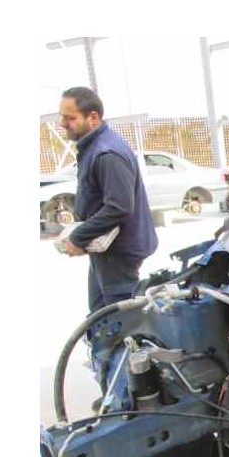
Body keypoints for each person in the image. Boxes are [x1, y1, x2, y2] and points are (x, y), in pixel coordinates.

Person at [55, 87, 157, 313]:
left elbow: (119, 207)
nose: (63, 124)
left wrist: (78, 237)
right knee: (101, 317)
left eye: (70, 118)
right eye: (62, 116)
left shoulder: (107, 153)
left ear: (93, 117)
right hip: (105, 249)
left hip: (118, 254)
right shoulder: (95, 147)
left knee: (120, 320)